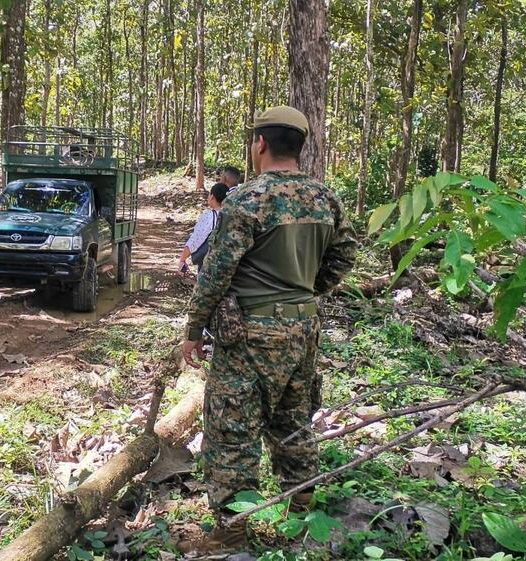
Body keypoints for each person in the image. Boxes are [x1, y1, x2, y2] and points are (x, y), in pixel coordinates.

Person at [180, 107, 358, 551]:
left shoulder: (247, 199)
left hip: (249, 336)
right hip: (303, 331)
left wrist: (193, 329)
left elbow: (216, 273)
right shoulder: (327, 199)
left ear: (260, 143)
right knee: (293, 425)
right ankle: (300, 526)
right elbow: (346, 255)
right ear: (300, 145)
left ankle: (232, 535)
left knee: (231, 433)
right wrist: (308, 292)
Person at [179, 182, 229, 273]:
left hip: (208, 263)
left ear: (212, 196)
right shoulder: (231, 216)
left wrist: (182, 259)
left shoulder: (209, 216)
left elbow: (196, 239)